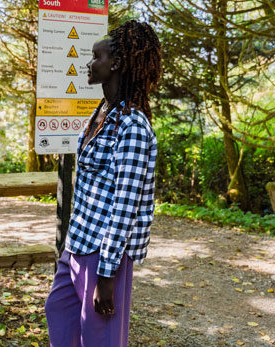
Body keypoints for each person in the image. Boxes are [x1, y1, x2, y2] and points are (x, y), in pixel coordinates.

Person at [45, 20, 162, 346]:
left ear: (117, 63)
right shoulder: (101, 113)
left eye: (96, 56)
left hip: (103, 254)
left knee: (101, 339)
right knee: (58, 311)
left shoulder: (132, 126)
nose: (89, 63)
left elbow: (124, 206)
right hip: (77, 245)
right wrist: (68, 249)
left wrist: (107, 274)